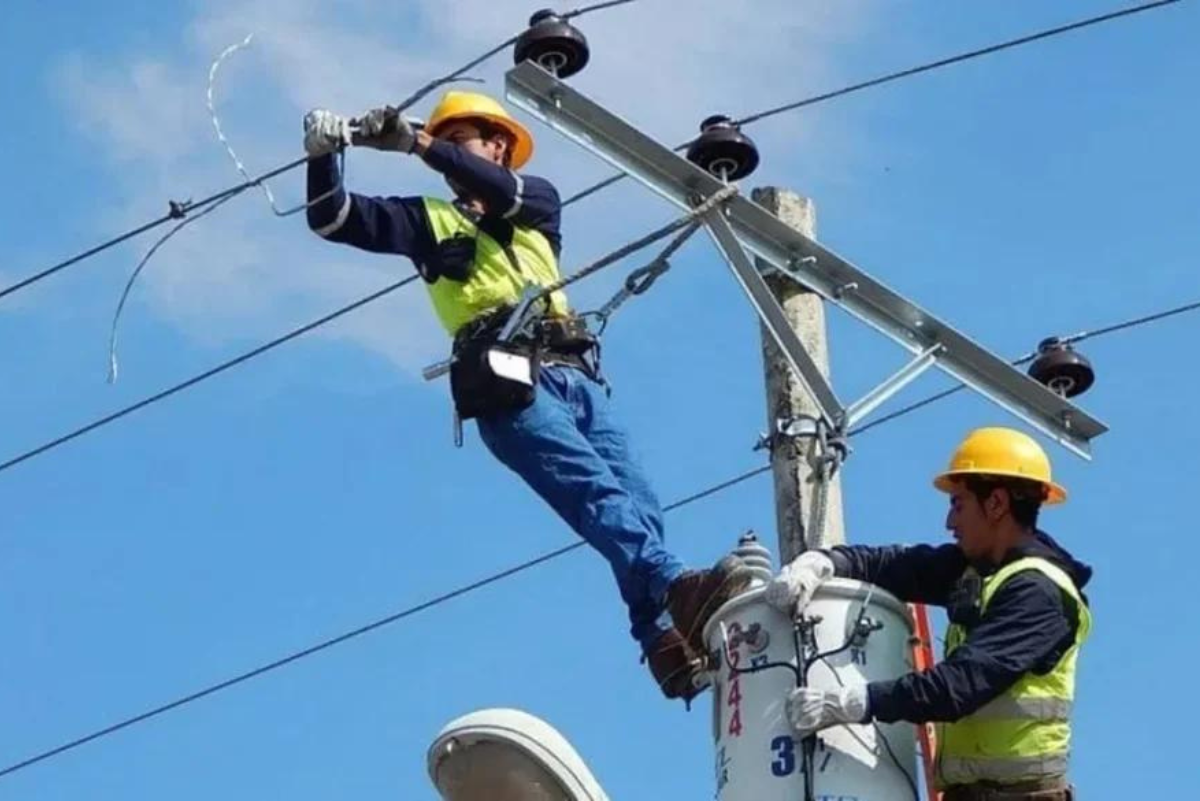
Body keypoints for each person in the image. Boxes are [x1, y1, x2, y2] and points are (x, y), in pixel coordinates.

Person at [301, 91, 749, 701]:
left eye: (467, 142)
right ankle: (676, 590)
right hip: (509, 382)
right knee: (597, 493)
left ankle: (664, 641)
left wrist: (416, 143)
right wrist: (324, 154)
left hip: (576, 378)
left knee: (640, 504)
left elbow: (501, 192)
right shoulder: (430, 221)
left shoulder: (536, 204)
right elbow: (332, 218)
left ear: (499, 146)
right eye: (450, 141)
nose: (457, 154)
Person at [766, 427, 1090, 801]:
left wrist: (854, 702)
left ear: (997, 503)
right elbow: (898, 565)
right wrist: (823, 562)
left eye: (958, 504)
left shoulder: (1038, 593)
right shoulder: (981, 570)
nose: (949, 523)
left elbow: (960, 685)